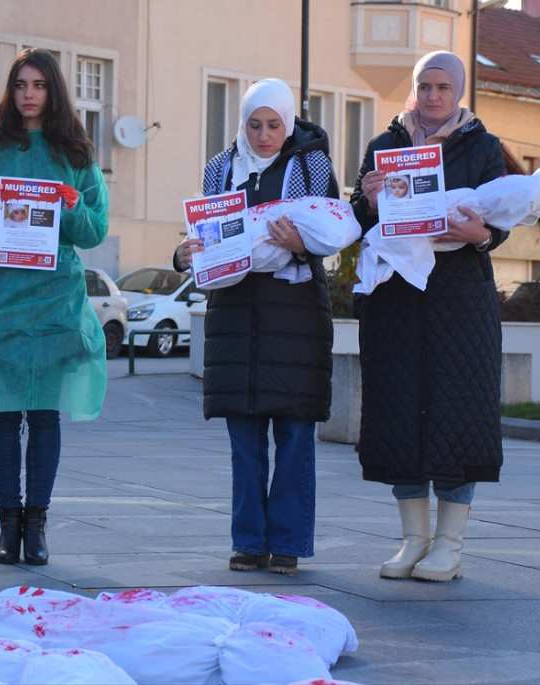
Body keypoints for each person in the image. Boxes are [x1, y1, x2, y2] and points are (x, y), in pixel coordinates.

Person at [0, 48, 109, 566]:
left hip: (54, 298)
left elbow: (96, 229)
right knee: (3, 414)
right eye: (20, 85)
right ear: (10, 91)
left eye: (38, 85)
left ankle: (36, 525)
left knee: (43, 415)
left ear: (53, 90)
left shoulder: (77, 153)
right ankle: (6, 522)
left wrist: (75, 208)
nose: (28, 94)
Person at [351, 50, 507, 582]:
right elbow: (356, 213)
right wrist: (368, 200)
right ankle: (414, 540)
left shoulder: (484, 147)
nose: (433, 96)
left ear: (458, 90)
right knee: (400, 413)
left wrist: (480, 236)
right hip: (396, 298)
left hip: (460, 298)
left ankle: (450, 544)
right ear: (415, 89)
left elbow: (502, 218)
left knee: (458, 412)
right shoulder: (384, 145)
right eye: (425, 86)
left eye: (443, 86)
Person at [173, 78, 340, 576]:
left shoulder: (312, 164)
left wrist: (301, 243)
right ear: (242, 124)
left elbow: (332, 229)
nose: (264, 135)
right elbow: (203, 237)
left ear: (288, 123)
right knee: (243, 436)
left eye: (273, 124)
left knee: (293, 433)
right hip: (235, 315)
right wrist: (183, 255)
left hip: (296, 317)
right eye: (254, 124)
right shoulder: (220, 168)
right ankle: (248, 541)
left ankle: (286, 543)